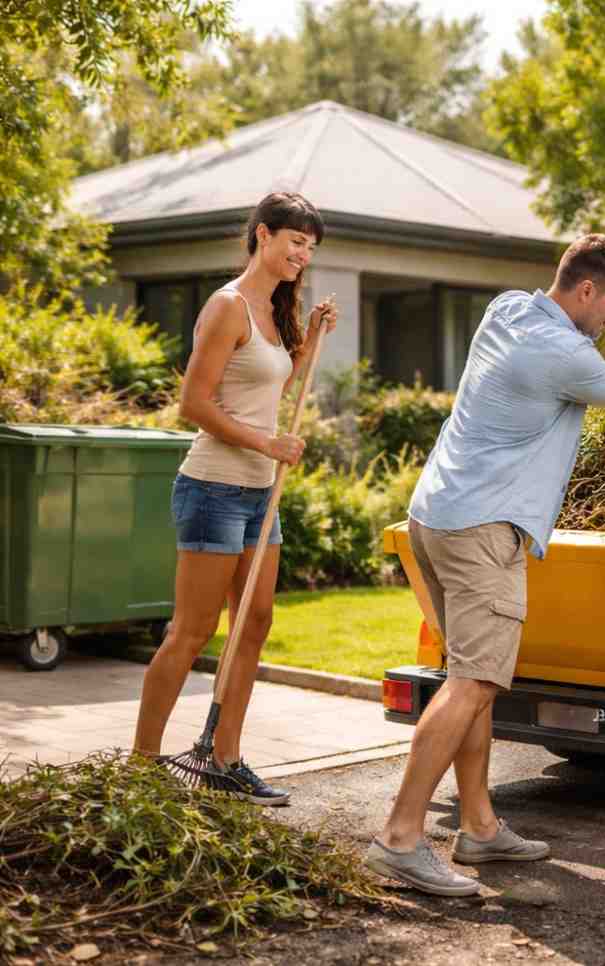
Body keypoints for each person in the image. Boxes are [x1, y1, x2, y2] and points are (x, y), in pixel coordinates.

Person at [365, 234, 605, 896]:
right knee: (475, 685)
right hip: (484, 531)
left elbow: (584, 326)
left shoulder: (510, 308)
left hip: (437, 515)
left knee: (472, 679)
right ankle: (400, 839)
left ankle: (481, 827)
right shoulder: (561, 354)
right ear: (583, 292)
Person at [133, 192, 337, 806]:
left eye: (311, 247)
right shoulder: (227, 306)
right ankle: (140, 769)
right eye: (295, 241)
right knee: (191, 631)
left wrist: (308, 345)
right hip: (214, 486)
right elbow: (193, 405)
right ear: (263, 235)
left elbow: (266, 385)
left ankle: (226, 758)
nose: (303, 254)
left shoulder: (275, 311)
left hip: (258, 493)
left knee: (255, 623)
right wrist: (266, 443)